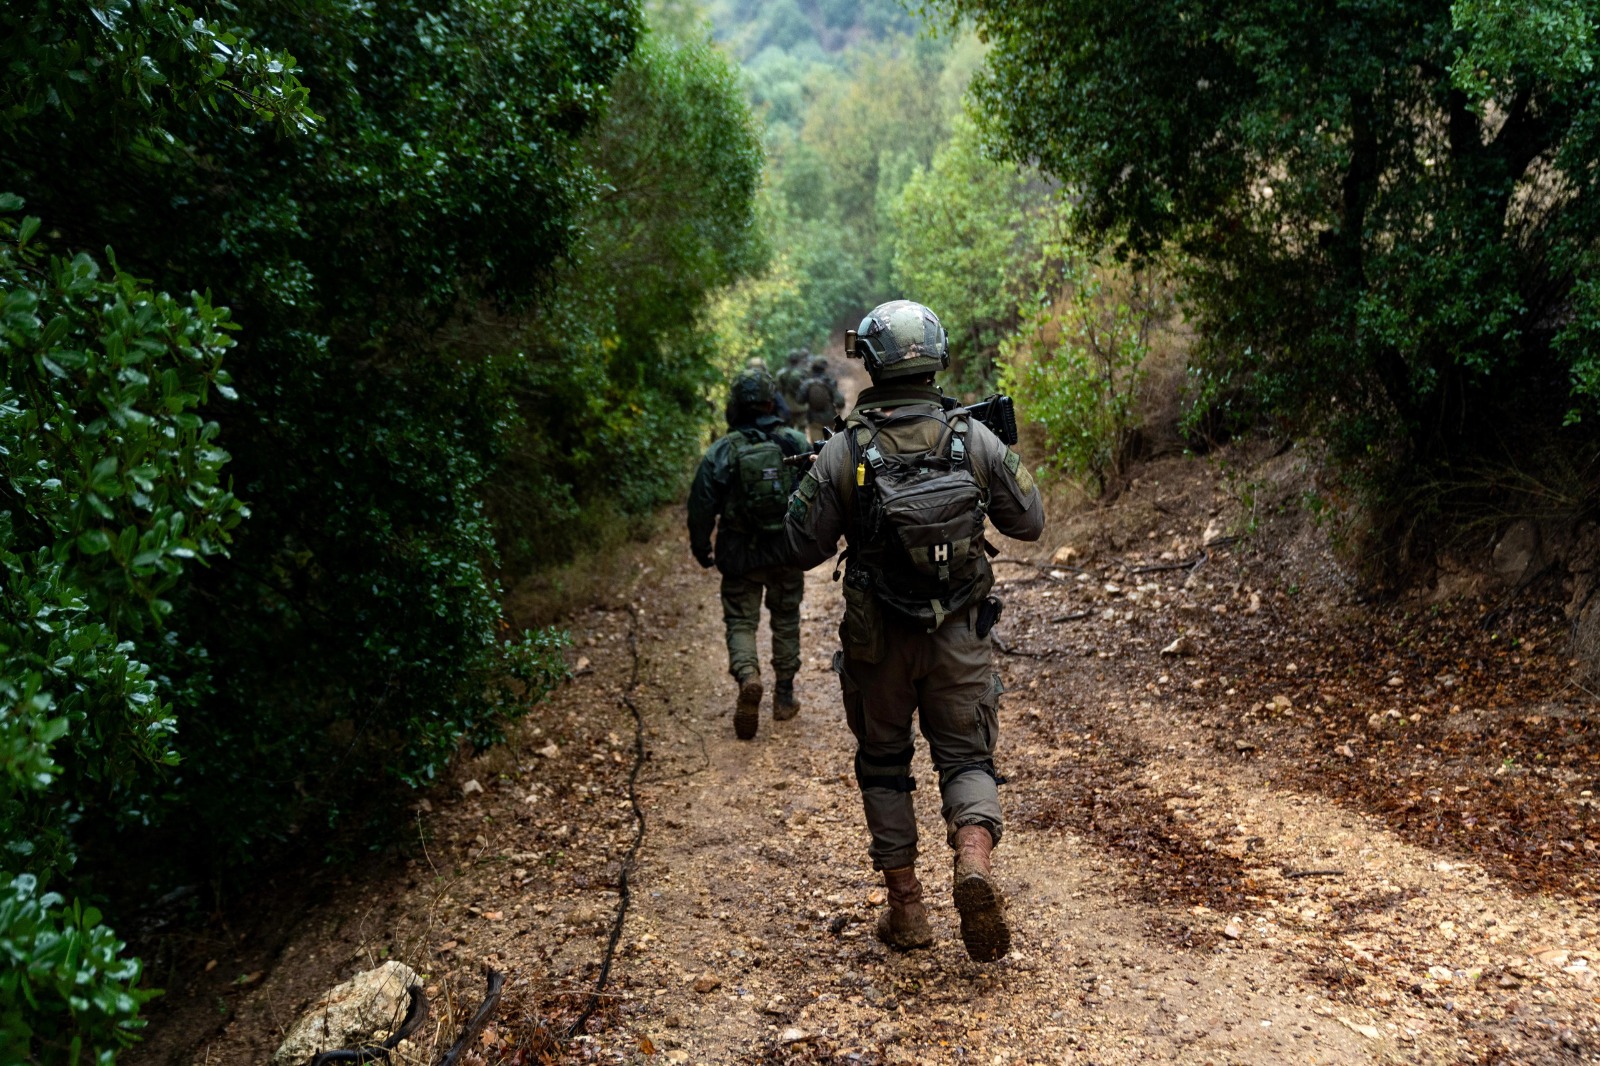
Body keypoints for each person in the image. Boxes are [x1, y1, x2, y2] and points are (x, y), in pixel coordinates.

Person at [784, 300, 1044, 962]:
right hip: (960, 633)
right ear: (937, 357)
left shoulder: (846, 450)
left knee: (884, 763)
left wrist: (811, 481)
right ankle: (973, 860)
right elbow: (1029, 521)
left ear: (869, 362)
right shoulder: (973, 439)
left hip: (878, 642)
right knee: (966, 758)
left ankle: (907, 912)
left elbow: (799, 546)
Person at [689, 367, 810, 740]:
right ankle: (784, 697)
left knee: (741, 622)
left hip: (739, 554)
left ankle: (748, 676)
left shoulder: (722, 451)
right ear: (771, 402)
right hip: (786, 551)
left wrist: (701, 546)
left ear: (735, 406)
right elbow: (817, 496)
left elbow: (701, 506)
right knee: (786, 618)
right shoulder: (794, 442)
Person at [801, 354, 845, 443]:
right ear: (824, 367)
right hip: (830, 420)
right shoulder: (830, 382)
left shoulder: (807, 384)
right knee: (831, 446)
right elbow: (840, 402)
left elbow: (799, 399)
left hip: (814, 421)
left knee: (818, 448)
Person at [776, 348, 810, 430]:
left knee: (789, 430)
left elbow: (778, 390)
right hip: (802, 405)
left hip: (787, 406)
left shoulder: (781, 373)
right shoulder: (804, 372)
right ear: (798, 359)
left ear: (788, 360)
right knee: (802, 429)